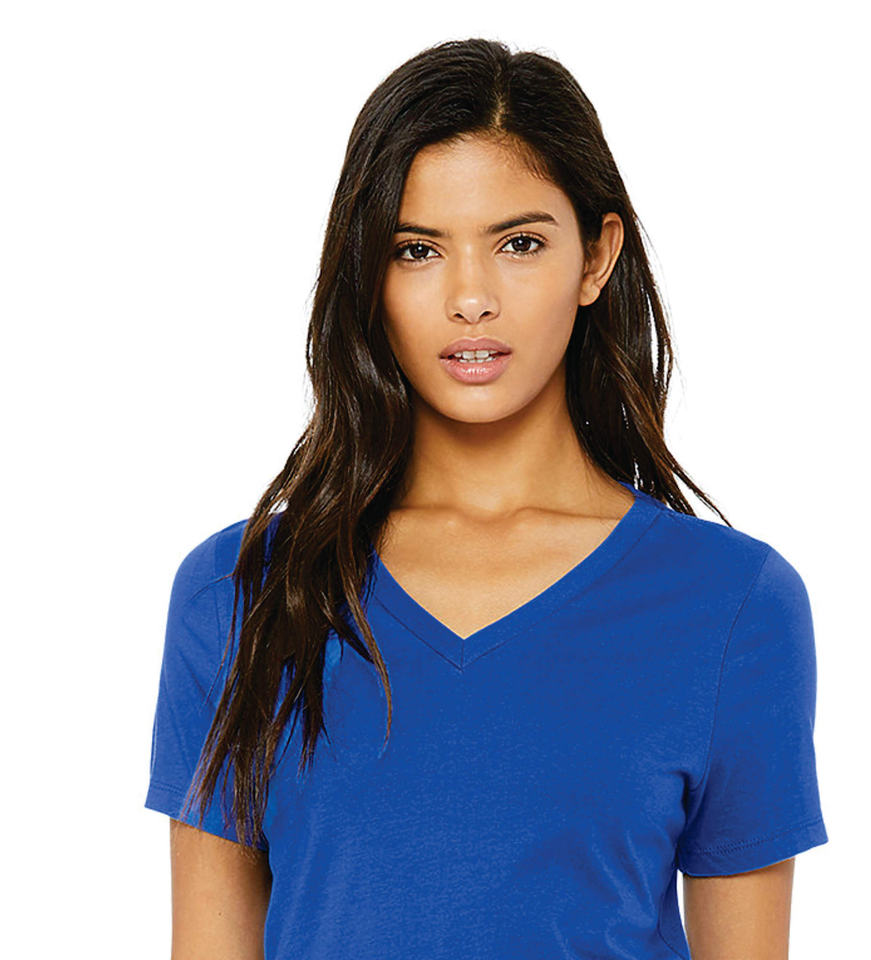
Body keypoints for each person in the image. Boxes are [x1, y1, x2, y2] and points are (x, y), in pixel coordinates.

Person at [144, 37, 828, 960]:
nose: (471, 299)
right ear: (368, 274)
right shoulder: (241, 590)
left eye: (519, 243)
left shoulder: (731, 606)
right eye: (418, 250)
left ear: (597, 258)